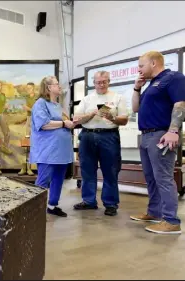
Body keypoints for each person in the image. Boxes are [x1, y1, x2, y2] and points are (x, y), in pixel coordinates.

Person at [130, 51, 184, 234]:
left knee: (164, 178)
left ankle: (171, 221)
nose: (138, 69)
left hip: (161, 134)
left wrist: (173, 130)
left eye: (141, 65)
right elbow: (135, 108)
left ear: (153, 63)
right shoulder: (150, 85)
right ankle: (154, 213)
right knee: (151, 178)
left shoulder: (172, 78)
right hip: (146, 136)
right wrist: (137, 89)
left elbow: (180, 104)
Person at [73, 71, 129, 216]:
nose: (101, 85)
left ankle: (110, 204)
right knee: (87, 170)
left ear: (109, 81)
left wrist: (112, 117)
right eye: (98, 82)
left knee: (110, 171)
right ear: (94, 83)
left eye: (104, 81)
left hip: (109, 136)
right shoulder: (87, 99)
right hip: (87, 136)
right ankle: (89, 201)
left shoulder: (118, 98)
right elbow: (77, 119)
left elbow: (124, 120)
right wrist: (90, 114)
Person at [30, 76, 74, 217]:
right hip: (48, 150)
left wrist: (71, 122)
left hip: (61, 151)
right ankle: (35, 210)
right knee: (43, 180)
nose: (60, 86)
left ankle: (52, 205)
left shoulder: (57, 105)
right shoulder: (40, 104)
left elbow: (65, 121)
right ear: (49, 88)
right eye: (57, 84)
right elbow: (43, 124)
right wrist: (63, 124)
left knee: (58, 178)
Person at [18, 82, 36, 176]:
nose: (29, 90)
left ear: (33, 88)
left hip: (37, 121)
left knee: (34, 144)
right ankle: (25, 167)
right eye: (27, 88)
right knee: (26, 144)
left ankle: (30, 167)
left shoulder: (38, 99)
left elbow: (37, 111)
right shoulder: (25, 98)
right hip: (29, 120)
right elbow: (22, 109)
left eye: (30, 88)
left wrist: (28, 108)